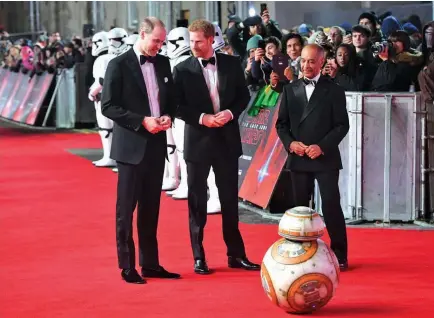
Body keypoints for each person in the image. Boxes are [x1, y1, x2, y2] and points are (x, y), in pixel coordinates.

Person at [173, 19, 260, 275]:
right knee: (197, 202)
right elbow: (176, 106)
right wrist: (203, 118)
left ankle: (236, 254)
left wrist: (231, 114)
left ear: (211, 40)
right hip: (198, 142)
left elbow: (243, 97)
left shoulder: (232, 65)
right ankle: (199, 257)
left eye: (198, 41)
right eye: (191, 41)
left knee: (230, 201)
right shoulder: (182, 69)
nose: (193, 46)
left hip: (226, 140)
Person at [101, 17, 180, 284]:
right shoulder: (118, 65)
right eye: (156, 40)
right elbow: (108, 106)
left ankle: (150, 264)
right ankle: (127, 265)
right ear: (142, 35)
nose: (160, 45)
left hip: (157, 145)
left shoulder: (164, 62)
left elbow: (169, 100)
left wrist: (168, 115)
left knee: (151, 207)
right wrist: (141, 121)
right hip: (131, 147)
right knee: (126, 209)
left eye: (163, 41)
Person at [275, 44, 350, 271]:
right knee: (299, 210)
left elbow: (341, 125)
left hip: (324, 158)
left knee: (331, 206)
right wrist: (291, 144)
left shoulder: (334, 90)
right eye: (303, 61)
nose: (306, 65)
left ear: (321, 62)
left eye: (311, 61)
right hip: (298, 158)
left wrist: (322, 146)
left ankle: (340, 254)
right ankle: (300, 252)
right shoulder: (290, 89)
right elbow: (281, 125)